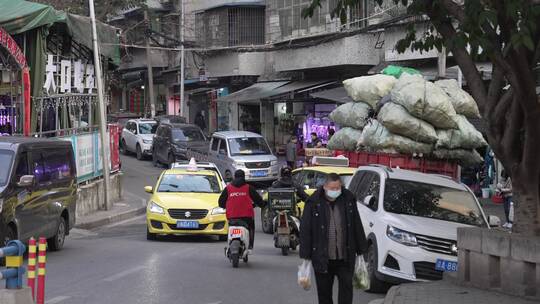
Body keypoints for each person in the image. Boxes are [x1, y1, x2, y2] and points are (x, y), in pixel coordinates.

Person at [300, 173, 367, 304]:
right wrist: (306, 256)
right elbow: (306, 230)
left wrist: (361, 251)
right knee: (324, 295)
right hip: (322, 257)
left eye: (338, 188)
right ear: (325, 187)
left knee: (346, 292)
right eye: (332, 188)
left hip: (345, 257)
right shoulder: (313, 202)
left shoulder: (348, 199)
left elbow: (356, 225)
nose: (335, 191)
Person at [218, 170, 264, 252]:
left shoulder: (228, 188)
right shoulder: (248, 187)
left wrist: (227, 206)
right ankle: (250, 247)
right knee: (251, 228)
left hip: (232, 217)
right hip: (247, 217)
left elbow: (221, 203)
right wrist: (263, 205)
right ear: (243, 177)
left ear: (234, 177)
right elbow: (258, 200)